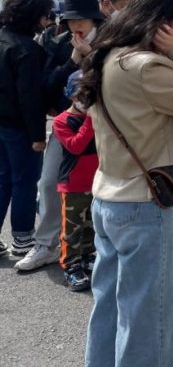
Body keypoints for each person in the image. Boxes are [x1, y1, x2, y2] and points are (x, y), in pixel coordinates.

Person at [78, 0, 173, 367]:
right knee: (150, 318)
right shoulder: (146, 65)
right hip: (141, 204)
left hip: (108, 196)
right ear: (162, 26)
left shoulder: (109, 57)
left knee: (109, 306)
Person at [16, 0, 104, 271]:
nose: (75, 24)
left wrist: (94, 59)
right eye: (69, 19)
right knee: (49, 181)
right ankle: (46, 244)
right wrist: (75, 59)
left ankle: (100, 246)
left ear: (94, 18)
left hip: (109, 126)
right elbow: (47, 86)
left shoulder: (112, 42)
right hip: (70, 125)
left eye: (81, 18)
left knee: (103, 185)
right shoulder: (58, 43)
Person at [0, 0, 54, 257]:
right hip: (19, 127)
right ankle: (22, 237)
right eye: (45, 16)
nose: (47, 21)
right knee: (24, 181)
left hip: (2, 124)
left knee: (3, 179)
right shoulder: (27, 49)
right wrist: (38, 136)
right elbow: (29, 98)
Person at [52, 71, 97, 291]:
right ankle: (71, 265)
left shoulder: (96, 117)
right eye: (81, 95)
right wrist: (89, 119)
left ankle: (88, 257)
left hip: (96, 183)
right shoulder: (62, 121)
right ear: (71, 96)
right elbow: (76, 145)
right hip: (73, 185)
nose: (85, 101)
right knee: (72, 229)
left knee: (91, 225)